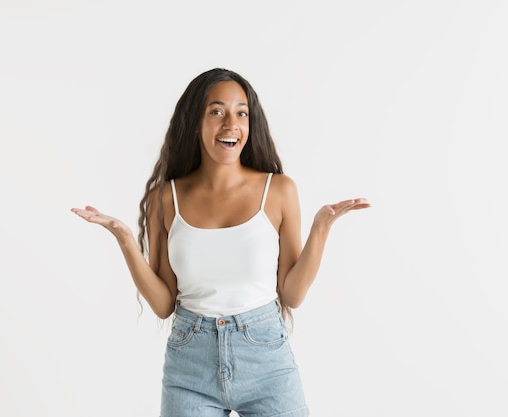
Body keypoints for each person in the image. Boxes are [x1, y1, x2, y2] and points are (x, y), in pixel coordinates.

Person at [71, 67, 370, 417]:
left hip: (266, 361)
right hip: (190, 366)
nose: (231, 124)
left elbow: (292, 294)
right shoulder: (165, 199)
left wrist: (320, 228)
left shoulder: (279, 191)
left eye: (241, 113)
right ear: (195, 123)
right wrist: (123, 238)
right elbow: (164, 303)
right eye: (217, 112)